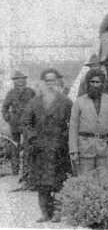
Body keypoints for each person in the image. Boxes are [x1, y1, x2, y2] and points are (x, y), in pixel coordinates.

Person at [22, 69, 72, 223]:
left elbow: (72, 123)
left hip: (59, 148)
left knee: (59, 181)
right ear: (42, 82)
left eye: (53, 80)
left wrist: (64, 138)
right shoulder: (34, 102)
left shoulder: (66, 101)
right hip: (40, 149)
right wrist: (33, 139)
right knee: (42, 183)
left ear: (57, 81)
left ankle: (57, 212)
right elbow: (26, 123)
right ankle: (45, 212)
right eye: (47, 81)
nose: (50, 83)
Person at [68, 68, 108, 175]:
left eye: (97, 82)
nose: (95, 85)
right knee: (85, 180)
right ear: (88, 83)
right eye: (92, 82)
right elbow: (73, 127)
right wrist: (73, 150)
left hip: (106, 148)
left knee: (105, 180)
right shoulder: (79, 102)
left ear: (102, 84)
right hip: (85, 149)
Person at [3, 71, 35, 185]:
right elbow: (5, 107)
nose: (20, 81)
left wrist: (34, 119)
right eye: (17, 79)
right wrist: (8, 118)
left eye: (22, 79)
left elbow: (36, 105)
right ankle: (15, 170)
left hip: (27, 123)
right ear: (14, 81)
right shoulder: (11, 93)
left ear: (25, 80)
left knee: (27, 146)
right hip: (15, 123)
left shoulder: (31, 92)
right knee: (14, 146)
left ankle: (26, 170)